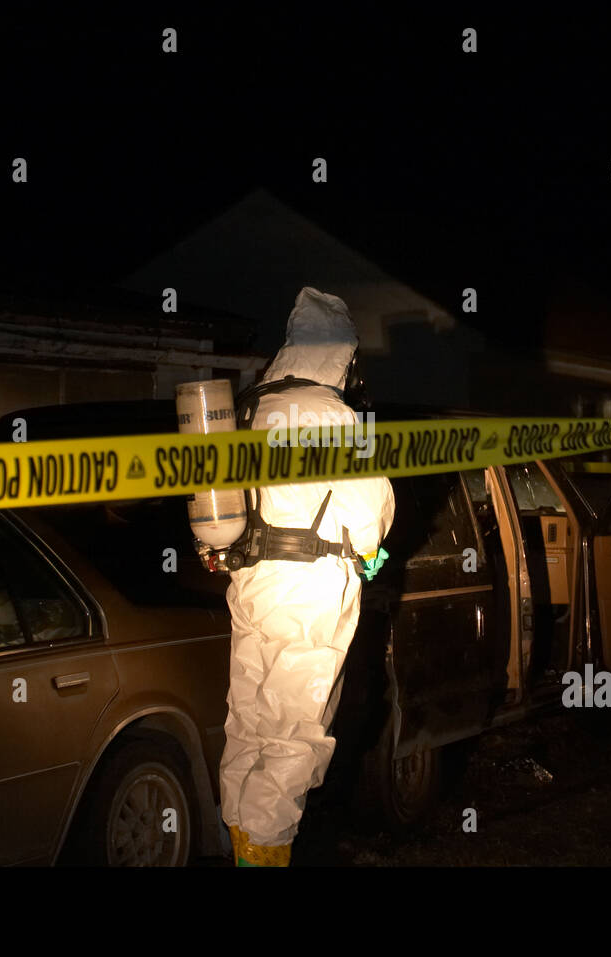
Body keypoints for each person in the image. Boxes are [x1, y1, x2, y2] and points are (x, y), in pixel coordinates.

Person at [220, 287, 395, 867]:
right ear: (340, 354)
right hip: (311, 589)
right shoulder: (334, 416)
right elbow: (369, 518)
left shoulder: (249, 407)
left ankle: (242, 841)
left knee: (247, 719)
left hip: (251, 581)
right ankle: (266, 852)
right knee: (295, 730)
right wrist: (370, 552)